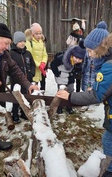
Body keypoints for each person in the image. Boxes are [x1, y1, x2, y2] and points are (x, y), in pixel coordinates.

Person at [56, 21, 112, 177]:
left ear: (100, 48)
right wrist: (96, 86)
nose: (88, 54)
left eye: (89, 50)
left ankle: (108, 171)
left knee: (108, 142)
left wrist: (70, 96)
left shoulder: (109, 66)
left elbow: (96, 96)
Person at [0, 23, 39, 151]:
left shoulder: (4, 54)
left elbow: (15, 70)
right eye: (5, 43)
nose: (7, 47)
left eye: (9, 44)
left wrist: (28, 85)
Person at [51, 41, 86, 114]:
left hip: (70, 78)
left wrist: (75, 73)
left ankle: (69, 106)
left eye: (80, 59)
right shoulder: (61, 59)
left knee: (70, 91)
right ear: (72, 55)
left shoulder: (78, 64)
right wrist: (57, 73)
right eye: (76, 57)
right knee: (61, 92)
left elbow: (78, 70)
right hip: (61, 77)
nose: (77, 60)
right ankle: (59, 106)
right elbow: (52, 64)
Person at [10, 31, 35, 123]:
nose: (22, 43)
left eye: (24, 41)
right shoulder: (11, 54)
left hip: (27, 81)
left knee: (25, 97)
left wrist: (31, 73)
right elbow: (8, 68)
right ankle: (15, 114)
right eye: (20, 41)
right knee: (16, 98)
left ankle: (24, 112)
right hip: (16, 81)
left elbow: (32, 65)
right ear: (16, 42)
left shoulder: (28, 53)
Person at [26, 23, 48, 90]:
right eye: (37, 34)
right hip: (34, 69)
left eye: (40, 33)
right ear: (32, 34)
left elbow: (45, 54)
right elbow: (29, 56)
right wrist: (38, 65)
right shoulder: (29, 42)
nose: (39, 36)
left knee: (43, 86)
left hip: (41, 69)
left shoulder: (42, 42)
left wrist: (43, 63)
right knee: (34, 86)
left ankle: (42, 98)